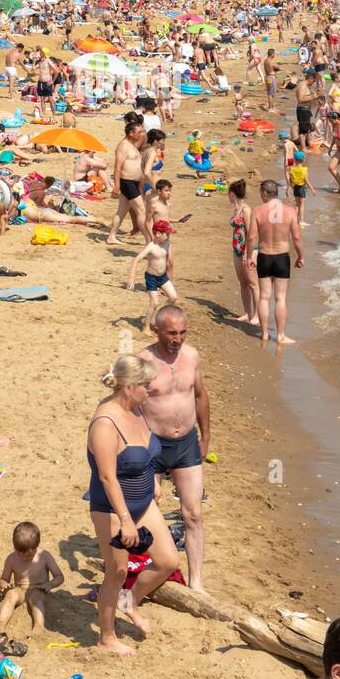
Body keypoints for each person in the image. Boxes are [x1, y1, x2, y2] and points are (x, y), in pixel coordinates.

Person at [86, 354, 180, 656]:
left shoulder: (137, 410)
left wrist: (153, 479)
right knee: (116, 571)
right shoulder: (105, 423)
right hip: (112, 509)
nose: (150, 390)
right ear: (128, 387)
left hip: (142, 504)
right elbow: (107, 477)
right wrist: (125, 520)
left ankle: (130, 601)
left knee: (168, 562)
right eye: (146, 385)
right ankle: (107, 637)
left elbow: (147, 452)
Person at [139, 306, 210, 591]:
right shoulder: (143, 361)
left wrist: (205, 437)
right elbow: (127, 405)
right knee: (147, 508)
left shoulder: (192, 357)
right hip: (152, 444)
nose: (177, 339)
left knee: (193, 513)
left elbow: (201, 395)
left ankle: (196, 582)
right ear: (156, 330)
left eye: (182, 332)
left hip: (186, 444)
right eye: (171, 333)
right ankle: (148, 566)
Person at [246, 179, 304, 346]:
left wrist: (250, 257)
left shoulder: (257, 211)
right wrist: (301, 257)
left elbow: (251, 237)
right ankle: (280, 336)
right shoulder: (290, 211)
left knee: (264, 297)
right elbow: (297, 237)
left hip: (264, 256)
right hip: (281, 257)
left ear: (265, 193)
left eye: (260, 193)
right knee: (280, 298)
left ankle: (264, 334)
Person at [0, 523, 64, 637]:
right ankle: (0, 625)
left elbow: (59, 577)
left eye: (28, 556)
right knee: (11, 595)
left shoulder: (44, 556)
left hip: (39, 589)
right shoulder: (11, 558)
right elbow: (3, 579)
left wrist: (50, 584)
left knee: (34, 598)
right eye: (19, 553)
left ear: (36, 547)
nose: (23, 557)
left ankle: (39, 626)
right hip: (21, 590)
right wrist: (4, 585)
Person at [128, 221, 177, 333]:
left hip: (163, 276)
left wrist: (170, 280)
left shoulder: (167, 243)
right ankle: (146, 327)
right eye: (167, 234)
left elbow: (170, 263)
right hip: (152, 278)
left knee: (173, 297)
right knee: (154, 303)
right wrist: (132, 279)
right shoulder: (151, 247)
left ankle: (160, 319)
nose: (168, 236)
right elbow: (136, 260)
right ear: (158, 234)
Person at [106, 119, 146, 244]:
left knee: (121, 211)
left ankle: (111, 236)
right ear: (131, 133)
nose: (141, 134)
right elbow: (117, 166)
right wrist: (116, 186)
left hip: (132, 182)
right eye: (138, 132)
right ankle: (149, 239)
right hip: (127, 182)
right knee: (141, 210)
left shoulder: (132, 145)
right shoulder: (123, 145)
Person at [228, 179, 259, 324]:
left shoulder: (246, 209)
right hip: (237, 250)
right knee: (243, 283)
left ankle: (257, 315)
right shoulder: (236, 209)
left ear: (232, 194)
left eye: (228, 193)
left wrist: (248, 253)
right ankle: (247, 313)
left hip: (248, 250)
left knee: (253, 283)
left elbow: (252, 232)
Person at [285, 148, 315, 226]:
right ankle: (301, 221)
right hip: (302, 188)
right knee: (302, 205)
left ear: (294, 160)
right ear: (303, 159)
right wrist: (312, 189)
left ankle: (294, 220)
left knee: (297, 204)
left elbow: (290, 181)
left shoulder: (292, 170)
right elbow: (306, 180)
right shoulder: (304, 170)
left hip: (295, 188)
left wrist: (288, 189)